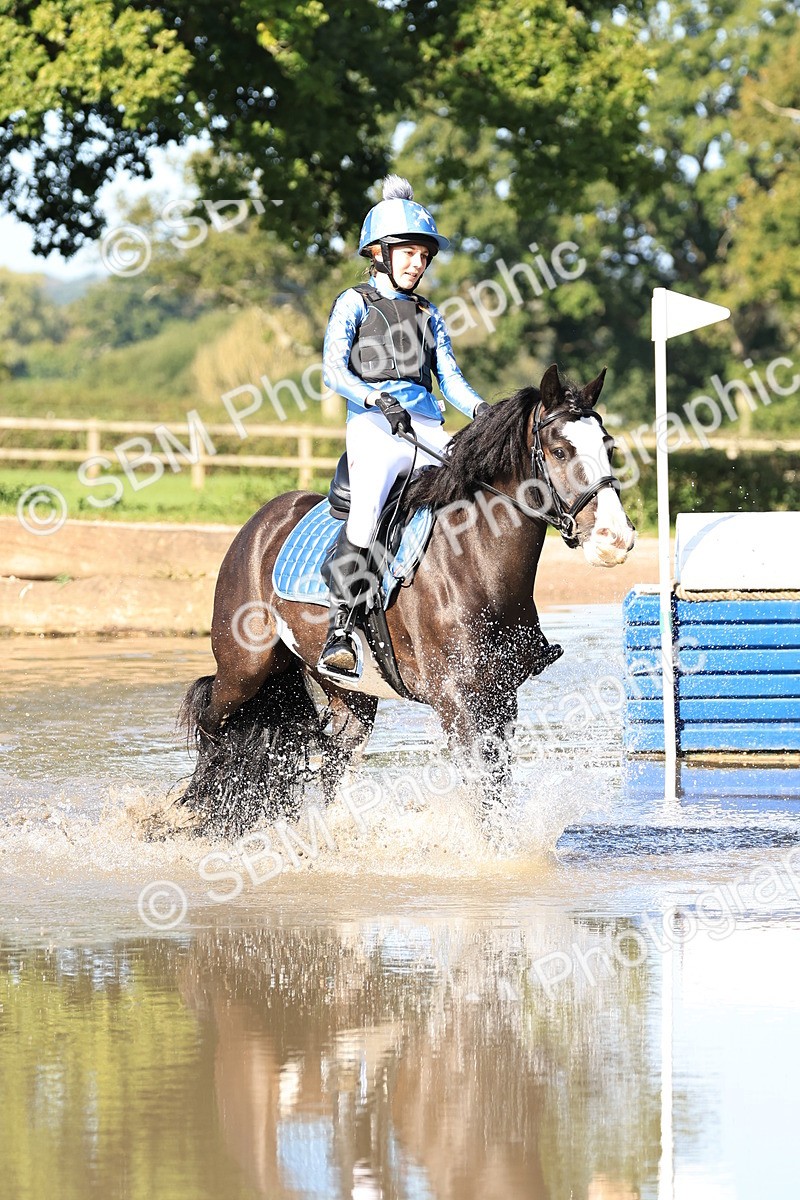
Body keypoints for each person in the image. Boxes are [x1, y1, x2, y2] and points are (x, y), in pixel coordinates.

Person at [319, 176, 489, 678]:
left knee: (481, 489)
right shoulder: (354, 303)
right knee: (367, 511)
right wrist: (376, 396)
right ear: (379, 252)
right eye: (409, 253)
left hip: (426, 425)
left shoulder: (428, 314)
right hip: (374, 425)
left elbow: (450, 378)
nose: (418, 263)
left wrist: (481, 411)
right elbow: (334, 371)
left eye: (424, 256)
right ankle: (340, 630)